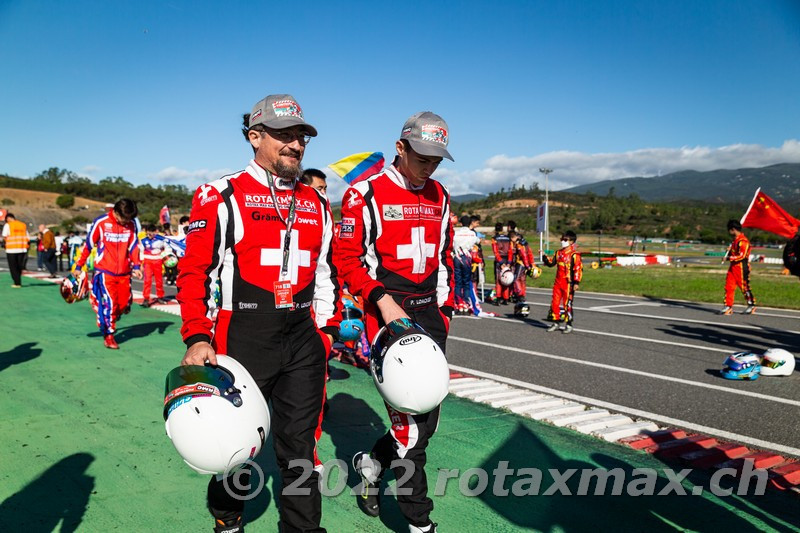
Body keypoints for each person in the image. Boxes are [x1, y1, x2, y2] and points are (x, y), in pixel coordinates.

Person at [177, 93, 340, 533]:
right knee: (237, 447)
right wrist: (197, 335)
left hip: (303, 336)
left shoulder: (316, 201)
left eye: (301, 136)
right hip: (242, 334)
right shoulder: (219, 194)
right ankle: (227, 513)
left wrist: (324, 329)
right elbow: (194, 271)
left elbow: (327, 273)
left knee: (299, 448)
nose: (295, 145)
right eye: (284, 135)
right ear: (254, 137)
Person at [336, 111, 454, 533]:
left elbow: (443, 258)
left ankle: (370, 467)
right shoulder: (363, 193)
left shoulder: (441, 194)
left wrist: (444, 309)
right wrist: (382, 302)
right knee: (411, 437)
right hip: (386, 315)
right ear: (400, 147)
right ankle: (421, 525)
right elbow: (345, 261)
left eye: (437, 158)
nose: (430, 167)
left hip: (429, 314)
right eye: (423, 157)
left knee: (425, 426)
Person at [73, 199, 142, 349]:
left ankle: (105, 312)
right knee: (110, 304)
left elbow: (134, 245)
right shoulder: (101, 222)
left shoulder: (131, 224)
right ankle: (109, 335)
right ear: (116, 213)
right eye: (124, 219)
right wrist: (79, 265)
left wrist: (136, 265)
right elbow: (88, 244)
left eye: (129, 219)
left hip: (124, 272)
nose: (126, 222)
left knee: (123, 304)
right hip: (105, 271)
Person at [542, 230, 582, 334]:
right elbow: (551, 263)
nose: (562, 241)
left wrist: (576, 282)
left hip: (568, 283)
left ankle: (568, 324)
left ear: (571, 242)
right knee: (555, 302)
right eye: (562, 239)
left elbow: (578, 269)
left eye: (565, 240)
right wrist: (544, 257)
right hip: (558, 282)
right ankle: (555, 322)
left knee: (567, 304)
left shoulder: (574, 255)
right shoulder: (558, 253)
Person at [721, 219, 756, 315]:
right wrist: (730, 250)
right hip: (733, 267)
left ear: (733, 229)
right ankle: (728, 305)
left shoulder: (743, 241)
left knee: (744, 287)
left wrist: (729, 258)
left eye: (729, 230)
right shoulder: (735, 241)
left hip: (741, 267)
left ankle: (751, 304)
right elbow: (734, 252)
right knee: (729, 286)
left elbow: (742, 256)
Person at [453, 215, 481, 315]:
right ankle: (466, 303)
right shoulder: (472, 234)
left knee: (457, 282)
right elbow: (478, 241)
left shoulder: (456, 233)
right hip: (467, 260)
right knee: (466, 283)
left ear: (461, 223)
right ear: (470, 223)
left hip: (457, 258)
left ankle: (458, 304)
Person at [140, 224, 167, 306]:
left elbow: (166, 248)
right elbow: (141, 252)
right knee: (147, 280)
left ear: (155, 232)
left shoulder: (161, 239)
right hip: (148, 261)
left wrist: (165, 257)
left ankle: (160, 297)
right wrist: (141, 264)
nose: (149, 235)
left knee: (159, 280)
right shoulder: (143, 240)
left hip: (158, 261)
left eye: (151, 233)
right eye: (148, 233)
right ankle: (146, 299)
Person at [2, 213, 30, 287]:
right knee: (19, 266)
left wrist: (4, 243)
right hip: (22, 248)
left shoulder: (8, 225)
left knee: (13, 266)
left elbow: (4, 235)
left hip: (11, 249)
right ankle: (18, 279)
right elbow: (28, 237)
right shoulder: (23, 225)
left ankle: (17, 282)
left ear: (8, 218)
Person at [509, 230, 534, 303]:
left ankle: (520, 294)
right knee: (523, 280)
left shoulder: (519, 244)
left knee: (516, 279)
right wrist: (531, 263)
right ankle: (522, 294)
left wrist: (526, 265)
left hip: (521, 263)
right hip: (526, 263)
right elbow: (529, 253)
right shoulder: (525, 242)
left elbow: (523, 255)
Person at [491, 222, 513, 304]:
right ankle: (506, 298)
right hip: (507, 260)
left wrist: (500, 262)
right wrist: (509, 262)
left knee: (499, 280)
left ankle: (498, 297)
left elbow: (495, 252)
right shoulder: (508, 238)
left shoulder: (494, 238)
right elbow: (510, 250)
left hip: (499, 261)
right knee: (507, 279)